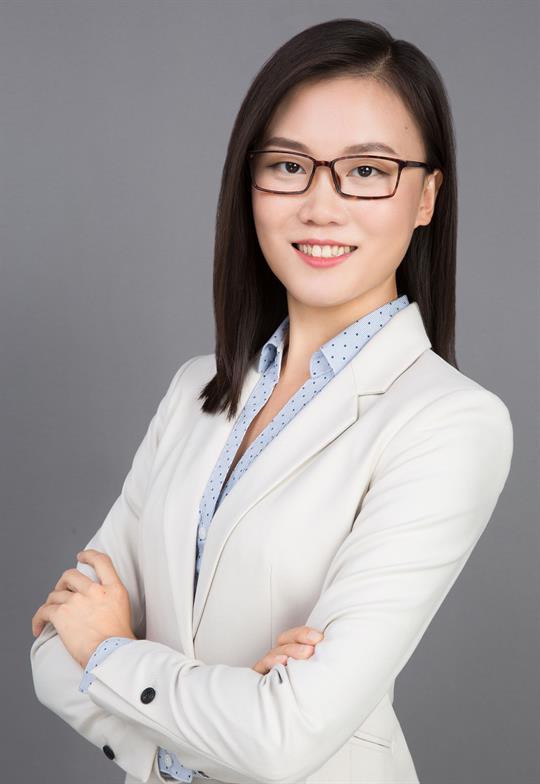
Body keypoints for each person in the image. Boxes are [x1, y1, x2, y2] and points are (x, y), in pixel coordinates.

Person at [30, 17, 513, 784]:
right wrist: (226, 716)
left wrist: (112, 651)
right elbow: (53, 654)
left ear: (426, 197)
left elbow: (284, 740)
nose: (320, 205)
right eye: (289, 165)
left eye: (366, 171)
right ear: (249, 180)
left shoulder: (451, 423)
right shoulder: (194, 390)